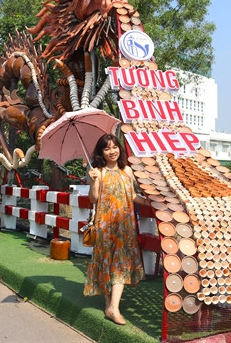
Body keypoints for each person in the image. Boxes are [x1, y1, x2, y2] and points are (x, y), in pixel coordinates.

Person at [84, 134, 147, 326]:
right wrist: (93, 181)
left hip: (124, 225)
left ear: (120, 148)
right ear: (101, 152)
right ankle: (108, 303)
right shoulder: (98, 172)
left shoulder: (127, 170)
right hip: (105, 225)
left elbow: (132, 195)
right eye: (107, 148)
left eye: (115, 147)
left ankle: (113, 307)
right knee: (106, 263)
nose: (112, 151)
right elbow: (94, 199)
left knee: (120, 264)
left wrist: (148, 202)